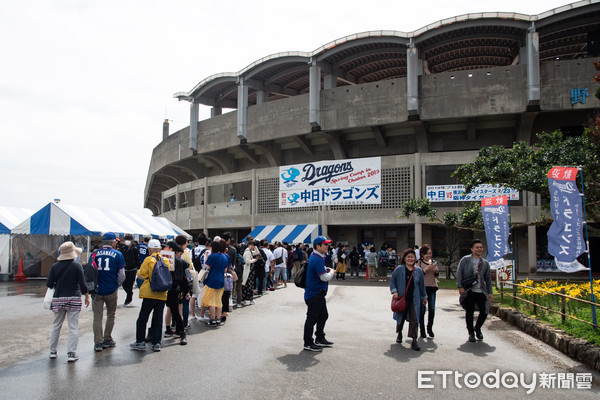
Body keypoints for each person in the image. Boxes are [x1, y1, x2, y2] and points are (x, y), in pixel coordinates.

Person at [47, 241, 90, 362]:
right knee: (73, 327)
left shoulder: (54, 266)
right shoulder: (77, 266)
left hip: (58, 298)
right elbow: (82, 283)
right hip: (73, 298)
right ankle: (71, 353)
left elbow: (49, 284)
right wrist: (86, 295)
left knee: (56, 326)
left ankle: (52, 351)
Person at [130, 239, 170, 352]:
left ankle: (140, 341)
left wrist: (138, 273)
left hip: (150, 292)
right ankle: (156, 342)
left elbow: (142, 274)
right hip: (162, 293)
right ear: (160, 249)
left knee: (143, 318)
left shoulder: (148, 260)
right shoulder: (165, 260)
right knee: (158, 318)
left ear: (150, 249)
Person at [91, 232, 125, 352]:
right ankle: (107, 338)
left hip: (96, 289)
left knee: (97, 316)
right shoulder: (117, 254)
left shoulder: (94, 253)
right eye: (115, 241)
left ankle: (98, 342)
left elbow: (90, 270)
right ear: (112, 242)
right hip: (111, 288)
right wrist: (117, 285)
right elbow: (122, 275)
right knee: (111, 314)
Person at [390, 248, 427, 351]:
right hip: (402, 298)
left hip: (415, 300)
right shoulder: (399, 269)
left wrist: (424, 297)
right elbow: (392, 281)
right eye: (408, 257)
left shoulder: (418, 271)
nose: (410, 259)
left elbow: (422, 285)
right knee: (400, 318)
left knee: (415, 320)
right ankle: (399, 333)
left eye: (412, 257)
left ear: (415, 258)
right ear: (405, 258)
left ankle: (414, 340)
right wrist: (394, 291)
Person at [457, 239, 493, 343]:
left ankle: (477, 328)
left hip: (481, 290)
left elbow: (488, 278)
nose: (479, 249)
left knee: (484, 311)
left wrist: (490, 292)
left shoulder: (485, 263)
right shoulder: (465, 260)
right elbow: (460, 272)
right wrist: (460, 286)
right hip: (469, 290)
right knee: (469, 312)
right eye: (477, 247)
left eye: (481, 247)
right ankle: (471, 333)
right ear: (472, 249)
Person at [303, 236, 335, 352]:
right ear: (318, 246)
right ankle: (308, 342)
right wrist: (331, 271)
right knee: (312, 319)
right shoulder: (317, 258)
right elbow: (324, 277)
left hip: (317, 294)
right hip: (314, 294)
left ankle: (319, 338)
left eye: (327, 244)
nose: (327, 246)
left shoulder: (317, 256)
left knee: (323, 315)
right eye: (325, 244)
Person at [163, 241, 188, 346]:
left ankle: (180, 332)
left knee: (174, 310)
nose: (164, 249)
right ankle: (175, 331)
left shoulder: (177, 262)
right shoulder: (163, 259)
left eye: (166, 247)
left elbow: (180, 278)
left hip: (172, 289)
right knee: (173, 310)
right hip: (168, 288)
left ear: (171, 249)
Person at [200, 240, 229, 326]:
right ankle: (217, 319)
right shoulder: (224, 257)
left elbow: (208, 267)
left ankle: (212, 319)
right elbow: (225, 269)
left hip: (212, 280)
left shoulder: (212, 256)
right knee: (218, 300)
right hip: (221, 280)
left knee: (210, 301)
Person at [417, 244, 439, 338]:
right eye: (426, 254)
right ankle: (422, 329)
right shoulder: (419, 263)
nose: (428, 255)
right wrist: (427, 268)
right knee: (422, 310)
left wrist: (436, 270)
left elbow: (436, 275)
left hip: (432, 287)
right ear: (422, 254)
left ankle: (429, 328)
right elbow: (418, 274)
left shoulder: (433, 262)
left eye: (430, 253)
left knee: (432, 309)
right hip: (422, 288)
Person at [121, 234, 139, 306]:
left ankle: (128, 299)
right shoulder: (123, 249)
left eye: (128, 240)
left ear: (131, 240)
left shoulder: (135, 249)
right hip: (125, 269)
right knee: (124, 284)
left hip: (132, 269)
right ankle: (129, 293)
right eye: (126, 240)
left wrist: (138, 267)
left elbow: (137, 259)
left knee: (130, 284)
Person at [242, 241, 260, 305]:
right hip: (248, 271)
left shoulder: (249, 251)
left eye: (253, 245)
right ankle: (248, 299)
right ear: (249, 245)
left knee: (248, 286)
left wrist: (255, 246)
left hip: (250, 271)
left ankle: (246, 299)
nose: (253, 247)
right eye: (252, 245)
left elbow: (257, 252)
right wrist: (254, 260)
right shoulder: (247, 252)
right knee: (248, 286)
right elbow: (247, 261)